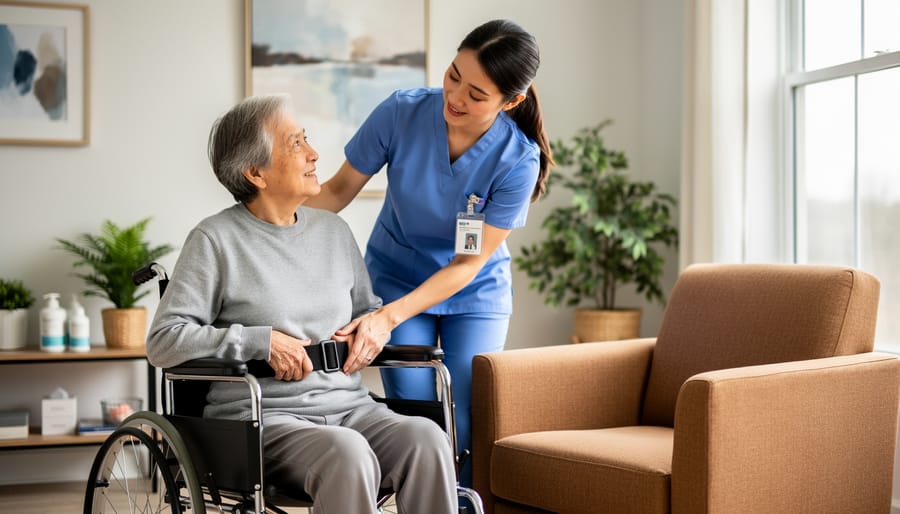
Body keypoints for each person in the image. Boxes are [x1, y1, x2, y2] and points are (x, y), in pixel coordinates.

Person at [145, 94, 457, 514]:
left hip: (350, 407)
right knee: (347, 453)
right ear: (255, 172)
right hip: (263, 420)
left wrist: (371, 329)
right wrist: (261, 342)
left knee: (427, 439)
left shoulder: (334, 232)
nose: (314, 154)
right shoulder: (215, 240)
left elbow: (367, 308)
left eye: (306, 139)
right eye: (296, 144)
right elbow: (165, 340)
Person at [306, 19, 552, 487]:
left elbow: (468, 263)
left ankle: (463, 502)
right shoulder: (401, 113)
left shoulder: (517, 159)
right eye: (453, 75)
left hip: (473, 291)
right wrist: (261, 215)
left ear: (511, 101)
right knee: (419, 416)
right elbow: (337, 191)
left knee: (464, 419)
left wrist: (386, 318)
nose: (456, 97)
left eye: (477, 94)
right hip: (397, 275)